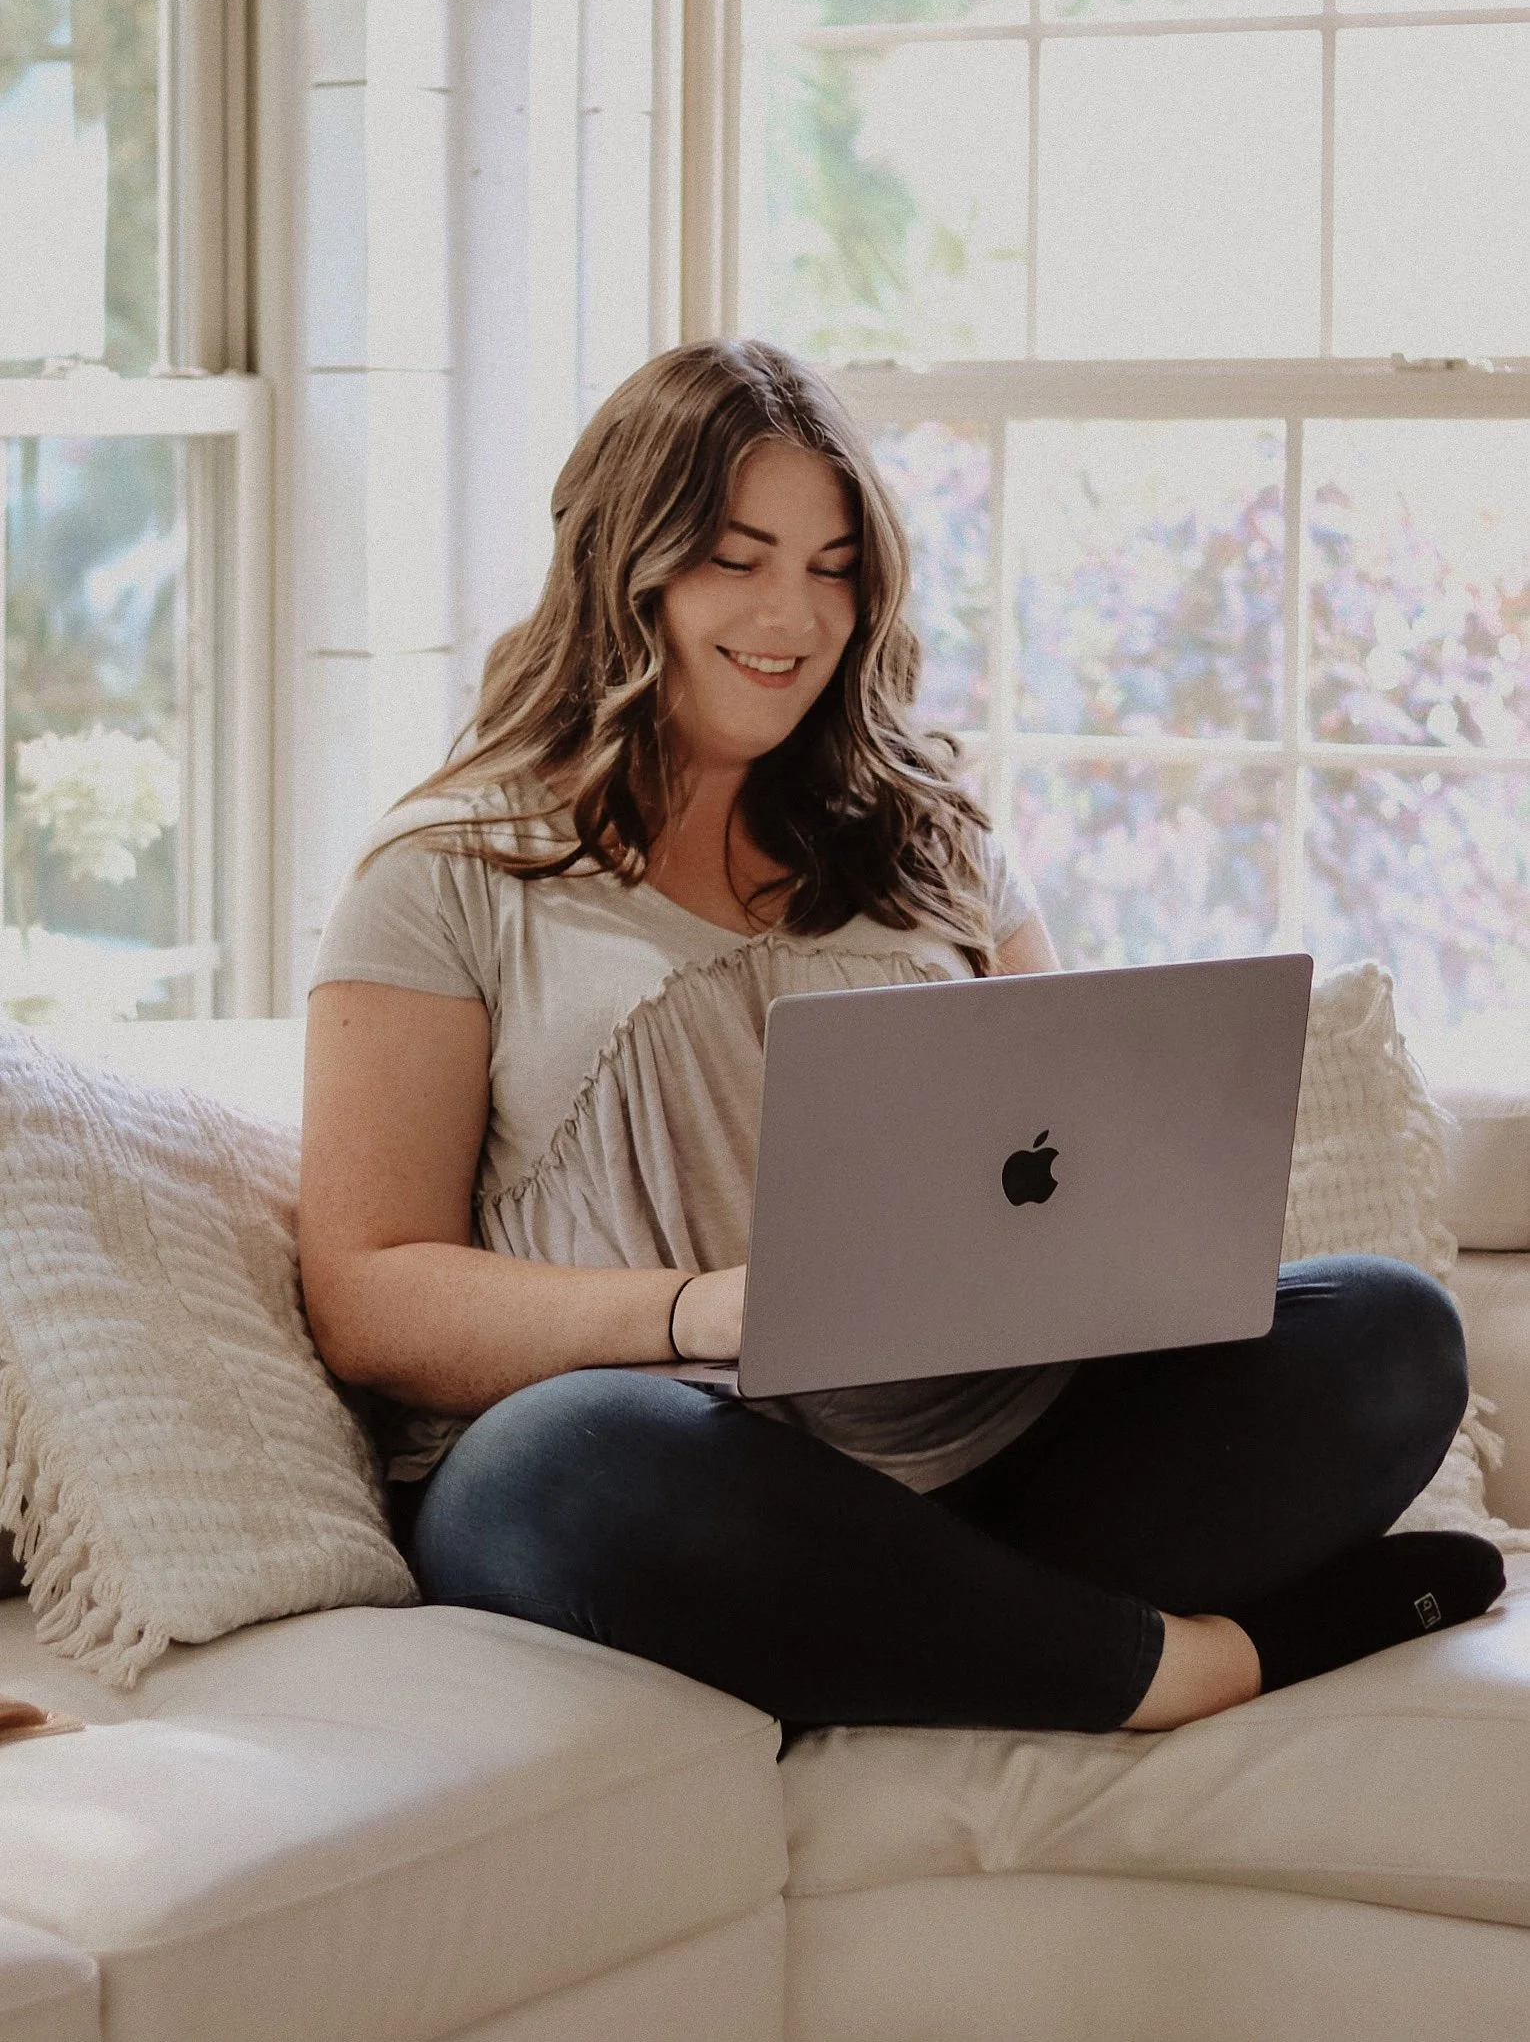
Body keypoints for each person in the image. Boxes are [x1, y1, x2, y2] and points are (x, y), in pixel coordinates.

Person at [299, 338, 1502, 1736]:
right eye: (736, 557)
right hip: (667, 1456)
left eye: (831, 565)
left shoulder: (936, 841)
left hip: (975, 1455)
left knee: (1389, 1328)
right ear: (624, 566)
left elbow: (1077, 1159)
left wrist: (1134, 1269)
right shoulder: (449, 868)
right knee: (558, 1461)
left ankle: (921, 1628)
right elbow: (368, 1288)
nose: (792, 613)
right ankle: (1186, 1663)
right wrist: (698, 1308)